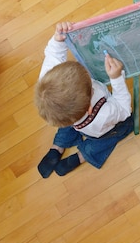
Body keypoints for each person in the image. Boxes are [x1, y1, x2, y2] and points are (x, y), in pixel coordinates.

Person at [34, 21, 133, 178]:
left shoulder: (48, 80)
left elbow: (53, 55)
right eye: (91, 86)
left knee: (66, 122)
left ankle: (57, 147)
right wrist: (116, 78)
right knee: (119, 130)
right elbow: (124, 109)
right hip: (97, 128)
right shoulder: (104, 114)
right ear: (89, 107)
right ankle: (82, 156)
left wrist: (58, 39)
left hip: (75, 122)